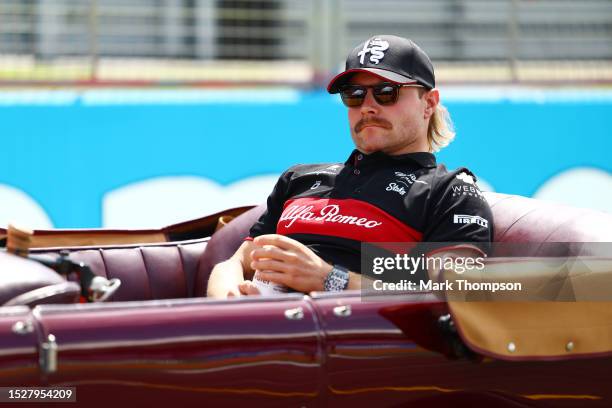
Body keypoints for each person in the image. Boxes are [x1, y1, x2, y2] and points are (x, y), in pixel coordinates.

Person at [207, 34, 493, 298]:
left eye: (385, 92)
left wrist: (331, 279)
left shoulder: (448, 190)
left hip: (346, 337)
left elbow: (457, 284)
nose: (367, 106)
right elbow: (234, 263)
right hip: (250, 328)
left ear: (428, 103)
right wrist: (230, 307)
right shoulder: (300, 178)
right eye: (354, 94)